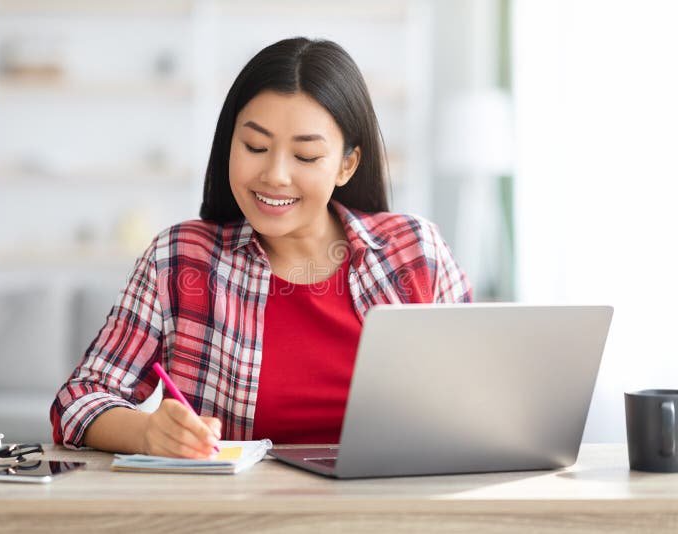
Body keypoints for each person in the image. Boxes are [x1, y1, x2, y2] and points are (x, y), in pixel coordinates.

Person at [50, 37, 472, 459]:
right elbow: (78, 400)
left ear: (346, 165)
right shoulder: (179, 260)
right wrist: (145, 432)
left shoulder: (416, 252)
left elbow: (480, 400)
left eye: (306, 156)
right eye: (255, 147)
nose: (276, 175)